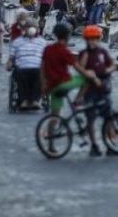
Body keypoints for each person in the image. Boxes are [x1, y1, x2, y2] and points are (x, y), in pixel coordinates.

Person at [41, 23, 101, 155]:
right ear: (68, 36)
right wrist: (89, 74)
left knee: (54, 116)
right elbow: (77, 67)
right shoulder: (64, 50)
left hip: (53, 87)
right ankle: (78, 100)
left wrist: (44, 86)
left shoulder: (48, 49)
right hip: (64, 83)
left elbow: (42, 69)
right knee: (86, 80)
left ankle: (51, 145)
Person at [76, 25, 116, 156]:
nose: (92, 42)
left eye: (94, 39)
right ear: (86, 40)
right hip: (89, 90)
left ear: (98, 39)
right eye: (89, 39)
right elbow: (81, 70)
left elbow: (112, 65)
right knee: (90, 118)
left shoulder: (102, 52)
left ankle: (111, 145)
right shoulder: (83, 54)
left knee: (108, 117)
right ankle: (94, 145)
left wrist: (106, 71)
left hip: (103, 87)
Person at [7, 20, 45, 109]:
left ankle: (35, 100)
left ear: (37, 29)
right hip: (22, 67)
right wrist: (9, 64)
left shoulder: (42, 42)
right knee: (19, 75)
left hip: (37, 67)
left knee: (41, 74)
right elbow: (12, 57)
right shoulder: (17, 42)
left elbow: (46, 57)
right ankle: (24, 100)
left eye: (33, 27)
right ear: (24, 29)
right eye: (28, 26)